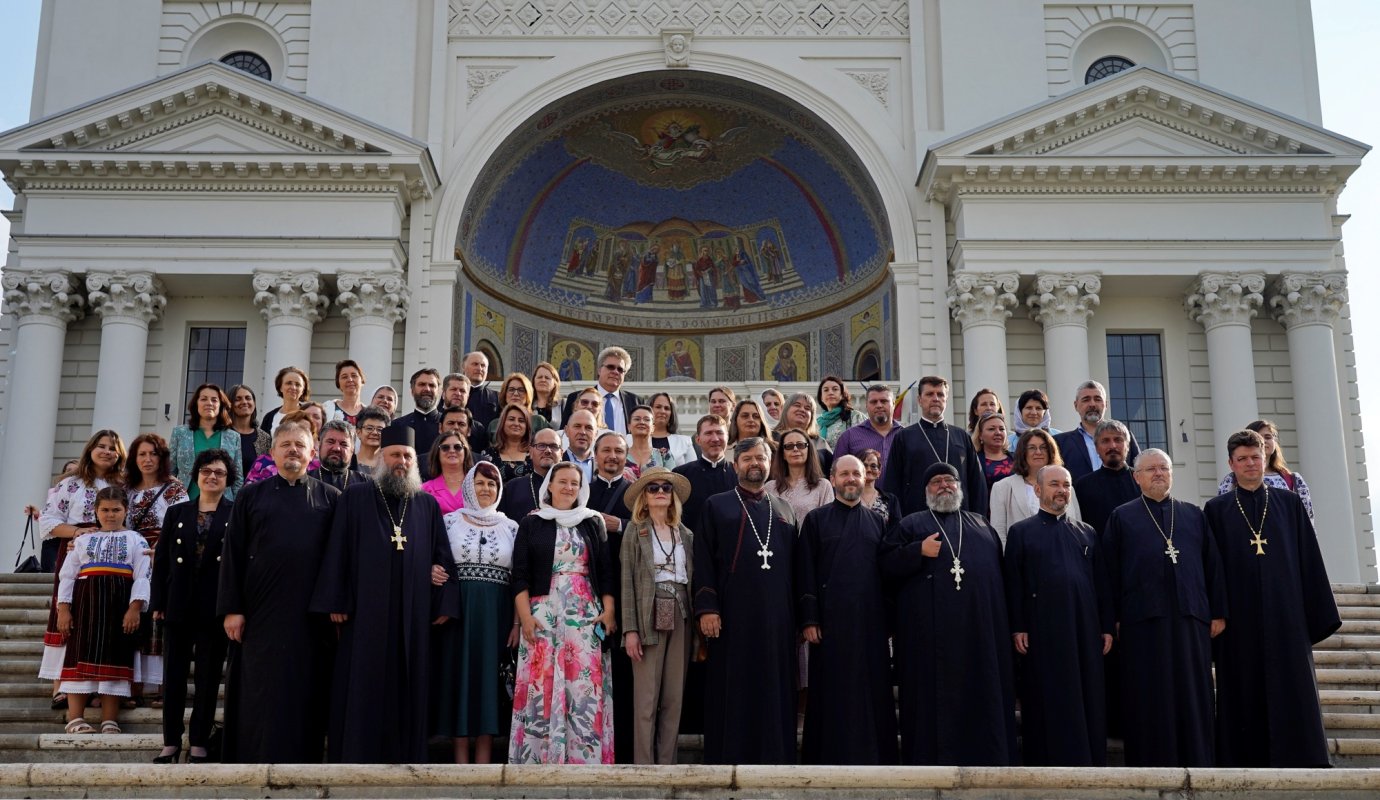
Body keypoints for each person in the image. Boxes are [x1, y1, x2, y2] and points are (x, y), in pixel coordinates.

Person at [311, 423, 459, 763]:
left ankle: (406, 754)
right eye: (395, 455)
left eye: (407, 456)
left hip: (414, 613)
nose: (402, 462)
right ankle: (358, 753)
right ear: (380, 457)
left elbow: (442, 557)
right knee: (363, 682)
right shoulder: (356, 497)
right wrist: (336, 599)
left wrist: (445, 599)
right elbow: (338, 549)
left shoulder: (427, 505)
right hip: (365, 613)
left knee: (409, 684)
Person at [1204, 429, 1340, 768]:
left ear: (1265, 459)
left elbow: (1308, 557)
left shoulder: (1289, 503)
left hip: (1286, 613)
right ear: (1231, 464)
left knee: (1293, 686)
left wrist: (1313, 611)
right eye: (1243, 459)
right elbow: (1212, 567)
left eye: (1256, 457)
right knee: (1241, 686)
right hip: (1240, 615)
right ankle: (1241, 758)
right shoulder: (1216, 509)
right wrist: (1218, 611)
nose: (1250, 463)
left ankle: (1304, 756)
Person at [218, 420, 339, 763]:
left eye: (300, 445)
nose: (292, 451)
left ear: (312, 453)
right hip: (259, 613)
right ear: (272, 453)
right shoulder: (249, 496)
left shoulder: (331, 498)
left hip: (311, 617)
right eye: (285, 444)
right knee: (260, 690)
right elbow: (233, 554)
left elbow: (337, 558)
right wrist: (232, 608)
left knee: (304, 690)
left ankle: (303, 762)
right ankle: (252, 759)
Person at [881, 463, 1017, 766]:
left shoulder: (982, 525)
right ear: (925, 490)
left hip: (978, 636)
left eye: (949, 480)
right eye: (936, 482)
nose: (944, 486)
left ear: (960, 487)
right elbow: (885, 567)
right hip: (928, 639)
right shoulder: (910, 525)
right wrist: (916, 551)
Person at [1102, 448, 1226, 767]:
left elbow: (1213, 565)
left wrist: (1217, 612)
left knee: (1193, 692)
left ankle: (1199, 760)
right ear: (1136, 477)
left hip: (1191, 618)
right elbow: (1109, 573)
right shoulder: (1121, 517)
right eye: (1151, 469)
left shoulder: (1193, 514)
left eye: (1164, 468)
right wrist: (1112, 617)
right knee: (1148, 694)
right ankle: (1151, 762)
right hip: (1142, 620)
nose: (1158, 473)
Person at [693, 437, 799, 765]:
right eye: (748, 458)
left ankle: (775, 758)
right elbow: (704, 559)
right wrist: (707, 608)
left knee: (774, 688)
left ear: (770, 464)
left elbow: (795, 568)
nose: (755, 463)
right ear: (736, 464)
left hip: (776, 619)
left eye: (761, 458)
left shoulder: (784, 508)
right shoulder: (717, 504)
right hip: (732, 616)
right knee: (733, 688)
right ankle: (730, 759)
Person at [1004, 465, 1113, 766]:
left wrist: (1106, 627)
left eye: (1066, 484)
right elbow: (1014, 584)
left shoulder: (1087, 532)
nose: (1061, 490)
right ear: (1038, 490)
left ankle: (1090, 761)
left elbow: (1101, 584)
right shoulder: (1021, 533)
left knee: (1087, 694)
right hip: (1041, 630)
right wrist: (1018, 627)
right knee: (1046, 696)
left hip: (1084, 628)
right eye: (1054, 484)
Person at [509, 463, 617, 764]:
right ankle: (540, 760)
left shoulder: (592, 522)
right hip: (542, 613)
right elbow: (520, 575)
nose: (569, 488)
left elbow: (607, 573)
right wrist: (525, 618)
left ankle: (585, 759)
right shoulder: (532, 523)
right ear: (550, 486)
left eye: (575, 483)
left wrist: (609, 612)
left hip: (585, 616)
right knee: (541, 684)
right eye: (563, 482)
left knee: (584, 686)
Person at [795, 455, 897, 765]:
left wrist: (889, 620)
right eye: (845, 474)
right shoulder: (816, 520)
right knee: (830, 693)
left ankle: (874, 758)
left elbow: (886, 574)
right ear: (833, 478)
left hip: (870, 624)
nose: (851, 479)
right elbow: (805, 572)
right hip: (830, 625)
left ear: (865, 477)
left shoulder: (878, 521)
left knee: (871, 692)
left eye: (857, 473)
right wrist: (809, 618)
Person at [150, 448, 237, 763]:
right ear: (197, 475)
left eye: (219, 472)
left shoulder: (235, 511)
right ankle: (171, 742)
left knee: (208, 677)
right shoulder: (177, 512)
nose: (212, 476)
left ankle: (199, 741)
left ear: (228, 480)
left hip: (214, 606)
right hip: (178, 603)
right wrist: (158, 601)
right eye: (206, 471)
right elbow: (161, 562)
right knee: (172, 677)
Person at [434, 462, 519, 764]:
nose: (486, 489)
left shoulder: (511, 527)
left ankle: (482, 765)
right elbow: (435, 558)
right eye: (480, 483)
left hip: (496, 615)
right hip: (458, 613)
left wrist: (516, 622)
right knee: (459, 678)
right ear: (470, 485)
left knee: (488, 681)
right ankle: (460, 763)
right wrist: (432, 571)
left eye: (492, 484)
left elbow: (519, 579)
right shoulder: (449, 522)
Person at [39, 429, 126, 711]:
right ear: (90, 449)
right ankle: (60, 685)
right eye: (101, 446)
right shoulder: (72, 484)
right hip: (77, 551)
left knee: (101, 619)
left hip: (112, 556)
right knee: (67, 614)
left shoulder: (124, 484)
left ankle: (97, 683)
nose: (106, 451)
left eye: (113, 448)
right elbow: (49, 521)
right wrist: (80, 531)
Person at [54, 486, 149, 736]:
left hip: (119, 605)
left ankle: (109, 720)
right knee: (79, 656)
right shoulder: (83, 541)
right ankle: (75, 719)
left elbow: (142, 576)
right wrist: (64, 610)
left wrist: (135, 608)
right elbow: (67, 576)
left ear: (125, 511)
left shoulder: (136, 540)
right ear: (95, 511)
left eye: (116, 510)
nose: (110, 515)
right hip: (86, 605)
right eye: (104, 510)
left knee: (115, 656)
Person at [621, 467, 694, 764]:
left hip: (680, 613)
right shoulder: (634, 532)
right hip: (647, 612)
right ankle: (643, 768)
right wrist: (630, 630)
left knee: (674, 698)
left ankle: (667, 766)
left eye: (666, 487)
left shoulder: (686, 534)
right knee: (646, 699)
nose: (661, 491)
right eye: (653, 488)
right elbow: (626, 580)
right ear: (644, 497)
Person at [671, 414, 734, 737]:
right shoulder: (682, 478)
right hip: (689, 571)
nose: (714, 439)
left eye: (719, 433)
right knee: (691, 650)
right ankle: (690, 720)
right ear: (697, 439)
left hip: (730, 576)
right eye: (708, 433)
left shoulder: (737, 475)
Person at [123, 433, 190, 708]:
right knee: (134, 624)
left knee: (161, 621)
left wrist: (161, 553)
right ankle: (132, 688)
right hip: (132, 559)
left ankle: (164, 689)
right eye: (142, 454)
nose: (147, 459)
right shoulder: (126, 490)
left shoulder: (174, 489)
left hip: (164, 559)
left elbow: (183, 525)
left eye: (153, 454)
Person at [882, 376, 986, 516]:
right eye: (930, 394)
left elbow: (977, 483)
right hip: (917, 516)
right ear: (919, 400)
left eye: (940, 394)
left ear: (946, 399)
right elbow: (892, 483)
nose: (936, 398)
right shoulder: (903, 437)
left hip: (960, 517)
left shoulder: (961, 436)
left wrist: (977, 519)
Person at [990, 429, 1083, 548]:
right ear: (1023, 452)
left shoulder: (1067, 487)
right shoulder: (1002, 487)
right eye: (1032, 448)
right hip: (1023, 559)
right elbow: (998, 533)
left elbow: (1077, 525)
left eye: (1043, 447)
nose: (1038, 452)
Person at [1217, 419, 1313, 520]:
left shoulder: (1292, 479)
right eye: (1258, 437)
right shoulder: (1231, 480)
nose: (1264, 441)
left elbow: (1307, 519)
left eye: (1268, 437)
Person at [1053, 381, 1141, 482]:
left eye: (1097, 399)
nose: (1092, 404)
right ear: (1076, 405)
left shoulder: (1124, 436)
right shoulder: (1060, 442)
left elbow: (1139, 470)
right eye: (1086, 400)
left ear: (1106, 404)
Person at [170, 383, 243, 500]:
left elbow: (238, 478)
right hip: (186, 502)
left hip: (223, 505)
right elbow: (170, 471)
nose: (209, 403)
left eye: (214, 400)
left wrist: (236, 506)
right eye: (203, 399)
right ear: (196, 404)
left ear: (220, 405)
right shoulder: (179, 433)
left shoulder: (233, 437)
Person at [1074, 419, 1139, 536]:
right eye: (1105, 441)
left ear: (1128, 446)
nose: (1112, 446)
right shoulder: (1083, 486)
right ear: (1097, 448)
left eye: (1118, 440)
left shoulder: (1142, 480)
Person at [560, 347, 642, 434]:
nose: (615, 372)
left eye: (620, 369)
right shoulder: (576, 398)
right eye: (611, 367)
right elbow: (564, 433)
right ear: (599, 370)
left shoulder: (635, 401)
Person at [833, 384, 900, 481]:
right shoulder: (849, 437)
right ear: (866, 406)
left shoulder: (906, 436)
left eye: (884, 401)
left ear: (893, 404)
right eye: (873, 402)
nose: (879, 405)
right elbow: (838, 474)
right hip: (860, 496)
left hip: (900, 496)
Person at [765, 429, 833, 524]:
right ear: (783, 454)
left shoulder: (823, 486)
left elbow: (828, 523)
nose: (795, 449)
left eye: (800, 445)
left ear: (808, 451)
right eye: (789, 446)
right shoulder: (770, 487)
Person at [245, 407, 324, 483]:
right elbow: (249, 493)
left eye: (304, 430)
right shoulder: (263, 462)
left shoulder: (319, 467)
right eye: (292, 428)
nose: (297, 433)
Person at [500, 428, 563, 521]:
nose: (548, 450)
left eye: (553, 446)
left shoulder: (572, 488)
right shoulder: (512, 488)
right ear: (531, 452)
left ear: (561, 454)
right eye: (541, 446)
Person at [775, 392, 833, 475]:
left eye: (807, 408)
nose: (802, 410)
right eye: (797, 405)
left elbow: (832, 471)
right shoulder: (771, 438)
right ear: (786, 409)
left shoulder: (820, 442)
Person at [487, 373, 553, 441]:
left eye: (521, 390)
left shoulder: (539, 422)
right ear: (505, 394)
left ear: (528, 394)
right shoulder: (494, 425)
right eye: (511, 389)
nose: (515, 394)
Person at [309, 420, 370, 492]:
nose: (336, 448)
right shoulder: (304, 481)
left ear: (352, 450)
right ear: (320, 445)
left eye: (343, 444)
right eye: (330, 442)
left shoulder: (366, 483)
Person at [394, 368, 444, 453]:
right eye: (422, 384)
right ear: (412, 391)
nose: (427, 389)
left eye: (432, 385)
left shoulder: (448, 423)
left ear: (438, 391)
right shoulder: (397, 425)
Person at [229, 384, 272, 481]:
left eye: (248, 398)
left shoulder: (264, 438)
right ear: (230, 404)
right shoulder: (222, 434)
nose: (244, 402)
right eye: (238, 399)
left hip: (255, 493)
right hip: (226, 493)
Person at [422, 431, 471, 515]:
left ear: (465, 452)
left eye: (457, 447)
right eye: (445, 448)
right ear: (437, 453)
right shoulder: (425, 489)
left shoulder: (477, 485)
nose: (452, 451)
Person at [486, 404, 535, 484]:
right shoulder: (489, 454)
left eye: (521, 421)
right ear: (503, 423)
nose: (516, 423)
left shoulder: (535, 453)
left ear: (527, 426)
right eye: (511, 419)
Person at [462, 352, 500, 453]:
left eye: (483, 365)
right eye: (475, 364)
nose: (479, 368)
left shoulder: (497, 397)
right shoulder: (454, 394)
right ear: (463, 367)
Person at [647, 392, 696, 468]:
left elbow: (694, 471)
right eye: (658, 407)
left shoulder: (685, 442)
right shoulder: (631, 439)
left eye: (667, 408)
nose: (663, 411)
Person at [816, 375, 866, 449]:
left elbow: (864, 444)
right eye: (826, 390)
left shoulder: (855, 416)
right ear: (821, 397)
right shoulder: (819, 423)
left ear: (842, 395)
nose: (830, 392)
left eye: (835, 389)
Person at [260, 366, 311, 433]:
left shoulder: (309, 414)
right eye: (289, 383)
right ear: (280, 387)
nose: (293, 387)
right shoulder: (269, 417)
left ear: (303, 390)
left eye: (298, 384)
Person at [974, 411, 1014, 495]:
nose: (998, 433)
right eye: (991, 429)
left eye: (1002, 429)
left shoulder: (1017, 458)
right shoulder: (973, 461)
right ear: (980, 435)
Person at [858, 448, 901, 524]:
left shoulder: (891, 500)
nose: (868, 469)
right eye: (864, 465)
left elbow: (896, 529)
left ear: (879, 472)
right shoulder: (850, 497)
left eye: (873, 466)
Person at [321, 359, 367, 428]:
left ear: (362, 381)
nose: (350, 380)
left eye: (354, 375)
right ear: (338, 384)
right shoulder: (326, 409)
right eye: (344, 377)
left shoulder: (369, 413)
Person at [563, 409, 599, 483]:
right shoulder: (556, 463)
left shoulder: (602, 466)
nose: (582, 432)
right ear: (566, 431)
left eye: (589, 428)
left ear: (596, 434)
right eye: (577, 426)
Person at [354, 406, 390, 472]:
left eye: (380, 430)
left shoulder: (389, 465)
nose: (375, 433)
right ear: (358, 432)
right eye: (369, 428)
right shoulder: (348, 463)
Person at [531, 361, 564, 428]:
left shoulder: (562, 405)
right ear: (534, 381)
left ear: (555, 383)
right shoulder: (527, 404)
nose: (543, 380)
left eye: (547, 378)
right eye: (540, 377)